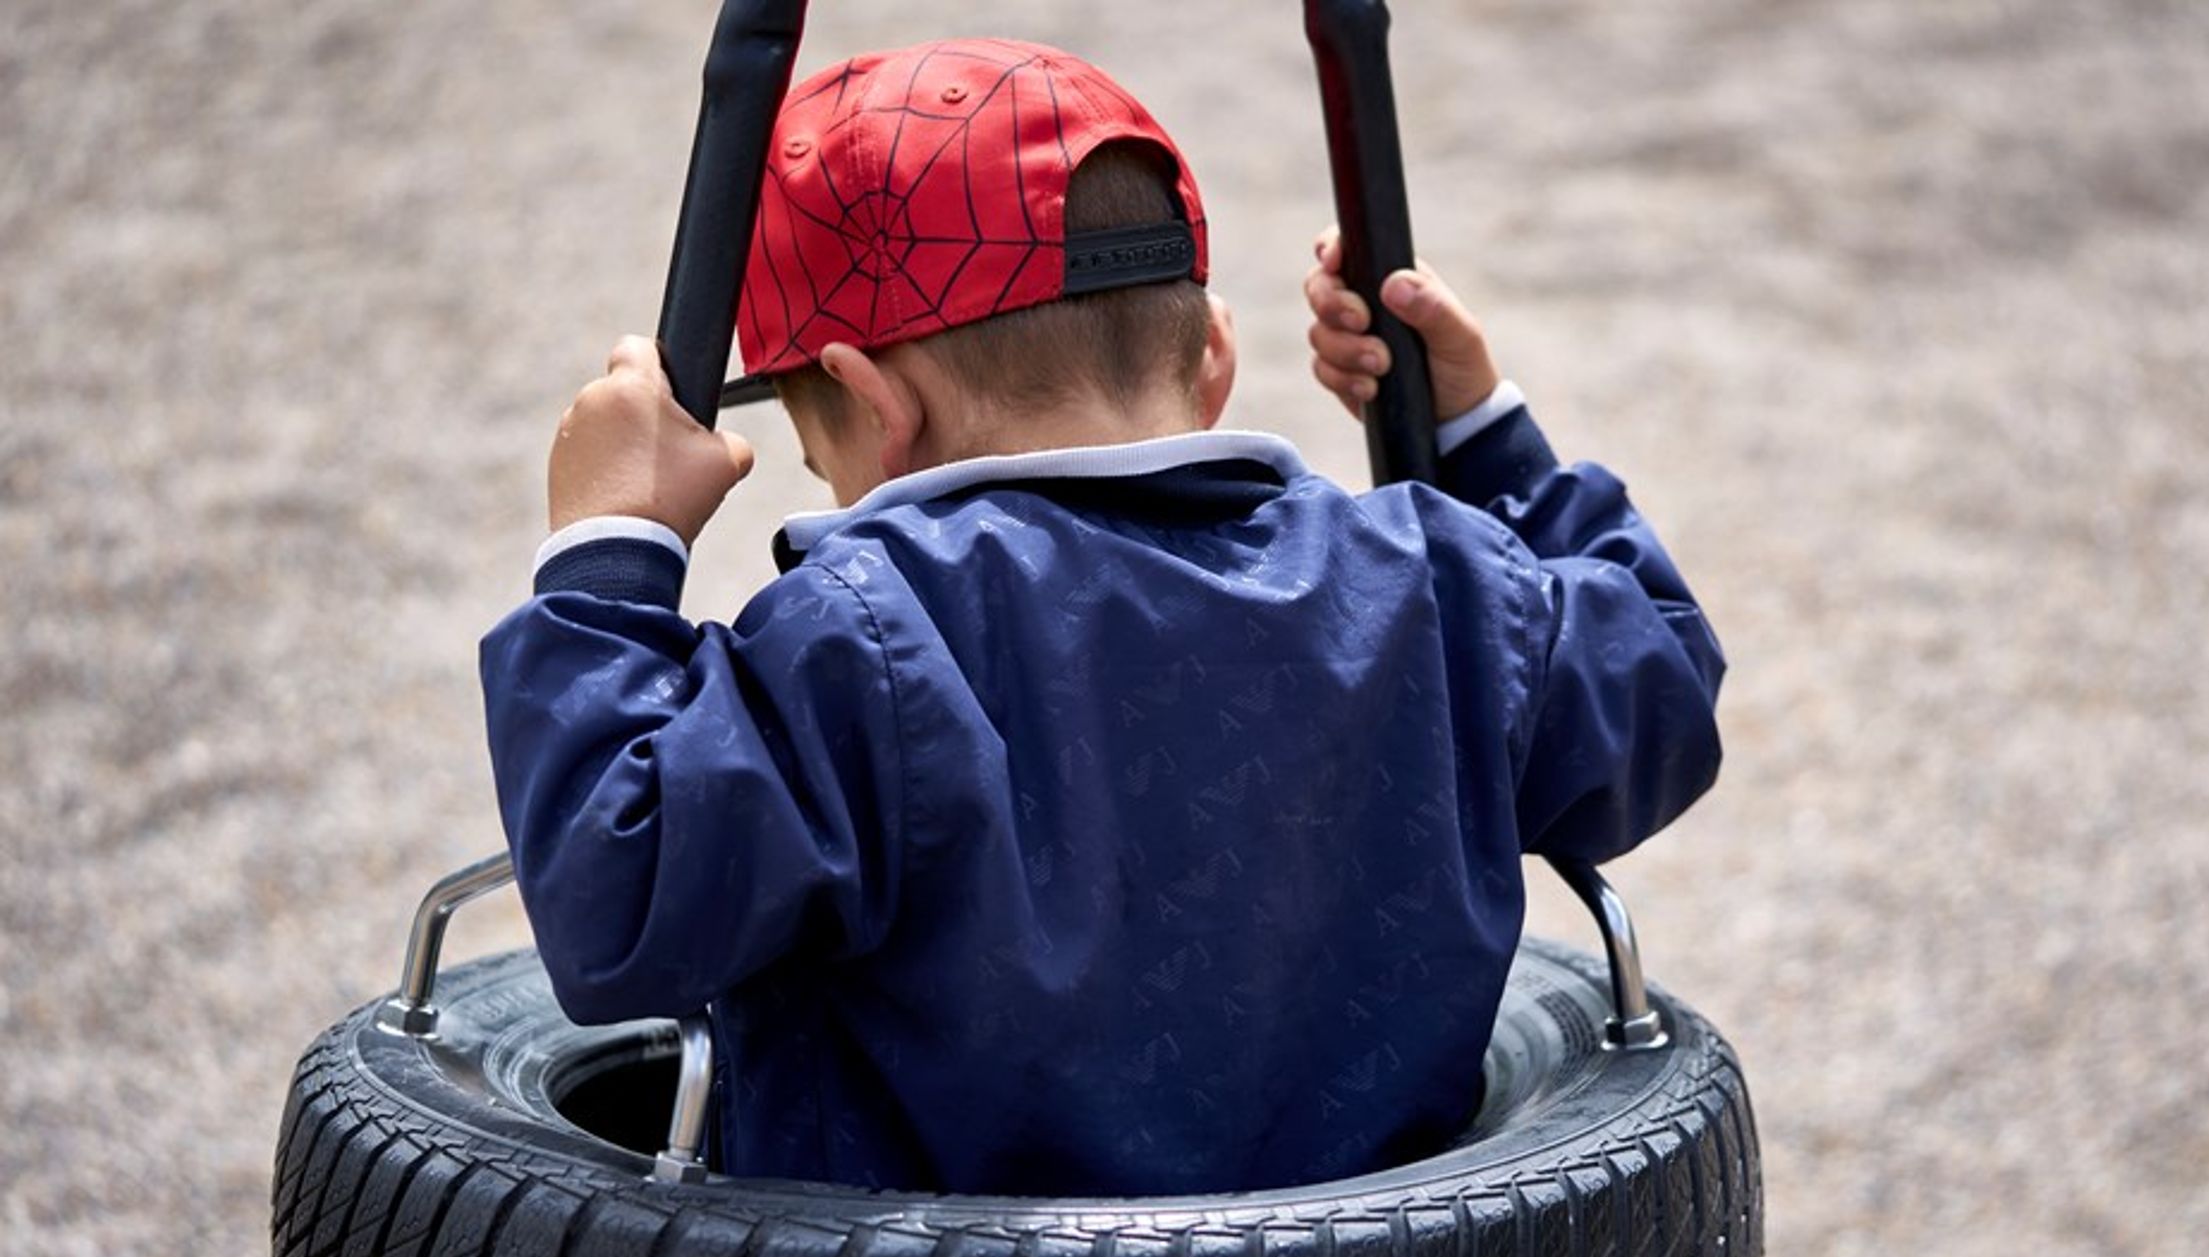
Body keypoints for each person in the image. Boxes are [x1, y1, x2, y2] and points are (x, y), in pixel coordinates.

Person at [481, 37, 1723, 1196]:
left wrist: (610, 555)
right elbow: (1663, 677)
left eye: (819, 458)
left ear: (870, 403)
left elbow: (614, 905)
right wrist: (1477, 430)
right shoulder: (1442, 582)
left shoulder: (858, 640)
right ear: (1214, 353)